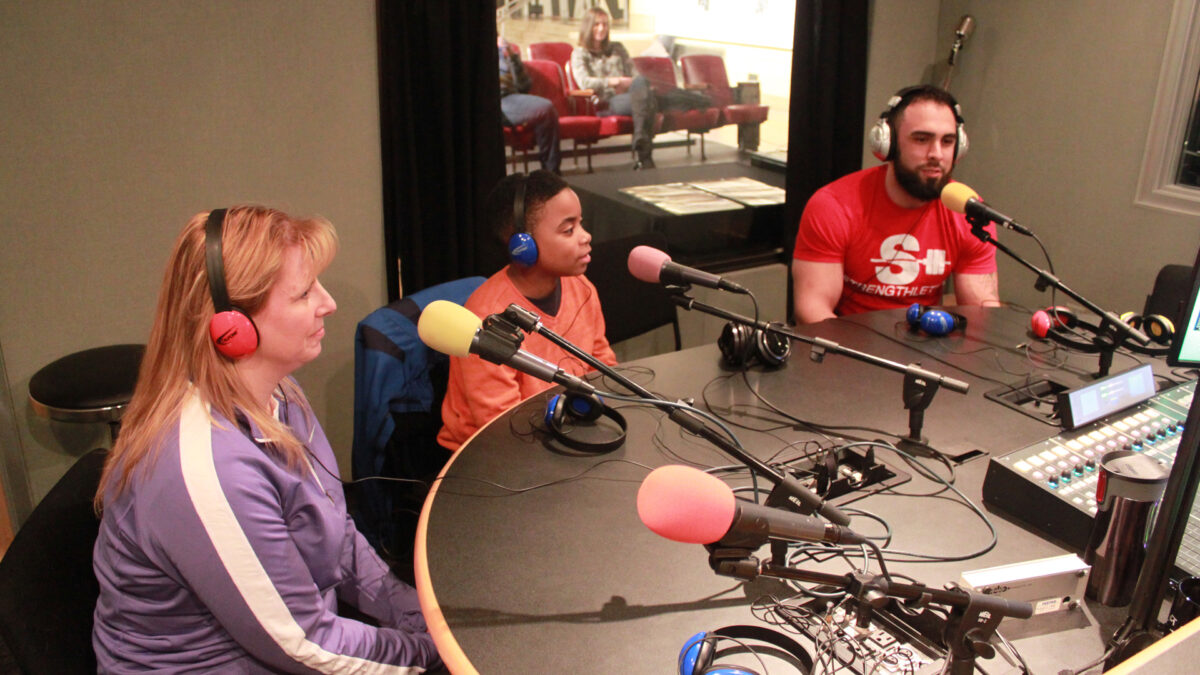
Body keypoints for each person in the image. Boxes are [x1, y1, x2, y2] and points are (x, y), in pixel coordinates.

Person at [92, 206, 442, 672]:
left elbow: (335, 535)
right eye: (303, 293)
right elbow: (305, 644)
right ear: (231, 328)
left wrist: (419, 616)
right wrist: (434, 655)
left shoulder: (279, 392)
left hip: (286, 640)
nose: (328, 303)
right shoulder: (208, 468)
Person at [437, 170, 616, 451]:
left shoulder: (582, 288)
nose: (586, 236)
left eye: (581, 224)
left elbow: (601, 364)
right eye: (568, 230)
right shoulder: (488, 319)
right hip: (489, 451)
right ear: (524, 245)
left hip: (565, 429)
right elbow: (501, 424)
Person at [791, 84, 1000, 323]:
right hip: (846, 340)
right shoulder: (833, 206)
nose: (937, 154)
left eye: (947, 141)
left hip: (927, 342)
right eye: (921, 139)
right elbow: (812, 309)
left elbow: (981, 313)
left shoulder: (969, 212)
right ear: (888, 144)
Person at [571, 7, 711, 170]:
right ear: (588, 27)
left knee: (643, 86)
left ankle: (643, 149)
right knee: (658, 99)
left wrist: (628, 84)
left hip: (632, 95)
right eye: (597, 24)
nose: (602, 28)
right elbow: (584, 82)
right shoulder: (580, 53)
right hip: (608, 101)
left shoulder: (617, 48)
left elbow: (636, 75)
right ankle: (701, 100)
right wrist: (614, 82)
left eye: (605, 24)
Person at [499, 37, 561, 174]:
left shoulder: (504, 52)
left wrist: (512, 58)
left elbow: (524, 86)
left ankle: (551, 172)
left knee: (546, 109)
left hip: (509, 98)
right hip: (493, 101)